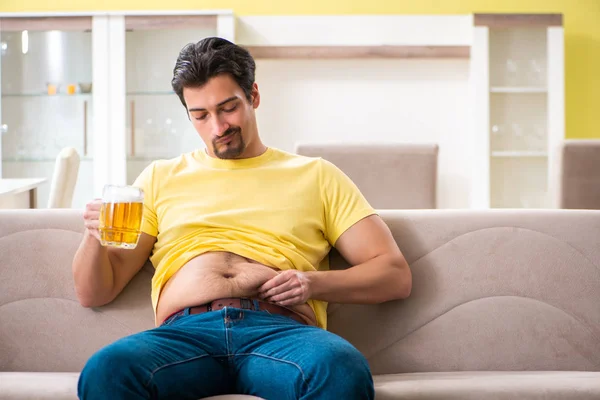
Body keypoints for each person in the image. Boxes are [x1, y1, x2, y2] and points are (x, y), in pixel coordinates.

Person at [72, 37, 412, 400]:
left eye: (228, 108)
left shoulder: (317, 175)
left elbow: (394, 275)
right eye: (200, 115)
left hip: (282, 333)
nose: (217, 127)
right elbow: (94, 292)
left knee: (340, 367)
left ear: (254, 95)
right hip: (184, 335)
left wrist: (313, 284)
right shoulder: (159, 177)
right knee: (106, 370)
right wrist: (94, 236)